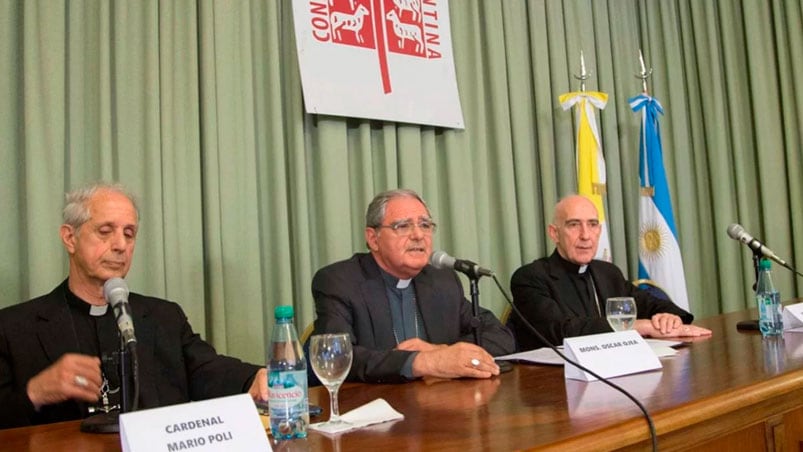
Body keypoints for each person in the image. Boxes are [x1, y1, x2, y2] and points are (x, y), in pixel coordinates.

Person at [0, 183, 267, 429]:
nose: (120, 245)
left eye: (129, 234)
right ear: (70, 238)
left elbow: (207, 369)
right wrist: (34, 393)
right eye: (105, 232)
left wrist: (252, 378)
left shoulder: (163, 317)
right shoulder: (14, 328)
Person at [311, 189, 515, 383]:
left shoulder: (442, 281)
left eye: (425, 225)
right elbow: (334, 357)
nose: (418, 235)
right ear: (373, 239)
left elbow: (501, 337)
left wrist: (441, 352)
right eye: (403, 226)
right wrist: (423, 362)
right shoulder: (339, 281)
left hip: (440, 407)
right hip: (373, 408)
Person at [510, 194, 711, 350]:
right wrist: (640, 326)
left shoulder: (607, 272)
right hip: (554, 385)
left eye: (592, 224)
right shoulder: (530, 277)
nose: (585, 235)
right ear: (554, 233)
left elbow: (651, 304)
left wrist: (668, 317)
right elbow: (563, 330)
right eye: (574, 225)